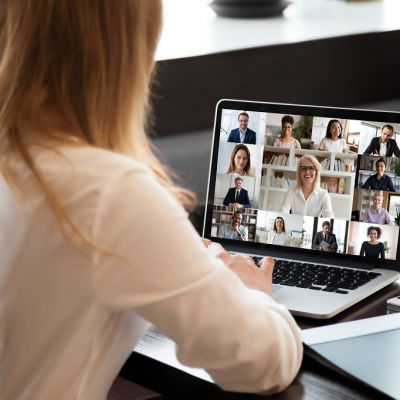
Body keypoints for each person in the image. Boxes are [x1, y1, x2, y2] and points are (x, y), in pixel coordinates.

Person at [0, 2, 302, 399]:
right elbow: (259, 362)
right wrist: (253, 295)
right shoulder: (108, 193)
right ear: (132, 48)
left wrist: (187, 262)